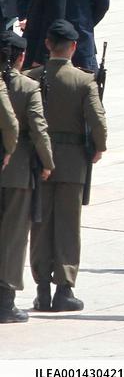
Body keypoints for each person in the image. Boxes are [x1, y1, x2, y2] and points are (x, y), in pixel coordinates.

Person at [27, 20, 108, 313]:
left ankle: (41, 289)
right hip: (73, 162)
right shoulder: (84, 81)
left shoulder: (31, 77)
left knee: (39, 223)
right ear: (74, 47)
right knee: (68, 225)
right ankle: (64, 288)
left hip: (37, 160)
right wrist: (99, 147)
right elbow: (97, 120)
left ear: (48, 44)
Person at [0, 31, 50, 324]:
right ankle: (5, 300)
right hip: (17, 172)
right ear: (21, 57)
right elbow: (38, 128)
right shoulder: (28, 87)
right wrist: (47, 162)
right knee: (14, 239)